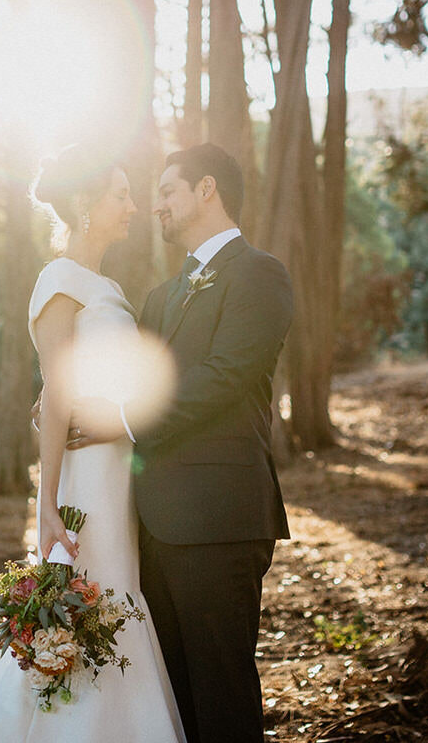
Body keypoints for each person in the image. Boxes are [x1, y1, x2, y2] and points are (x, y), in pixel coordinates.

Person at [0, 144, 186, 743]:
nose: (133, 206)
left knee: (118, 597)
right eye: (120, 194)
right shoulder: (58, 280)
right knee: (93, 601)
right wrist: (45, 502)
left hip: (122, 467)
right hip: (86, 479)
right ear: (84, 203)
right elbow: (55, 394)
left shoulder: (108, 285)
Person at [66, 142, 293, 743]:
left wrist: (127, 420)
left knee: (223, 696)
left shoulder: (260, 273)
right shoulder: (162, 297)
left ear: (206, 189)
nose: (155, 204)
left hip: (221, 520)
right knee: (173, 705)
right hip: (151, 528)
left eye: (167, 190)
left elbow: (224, 375)